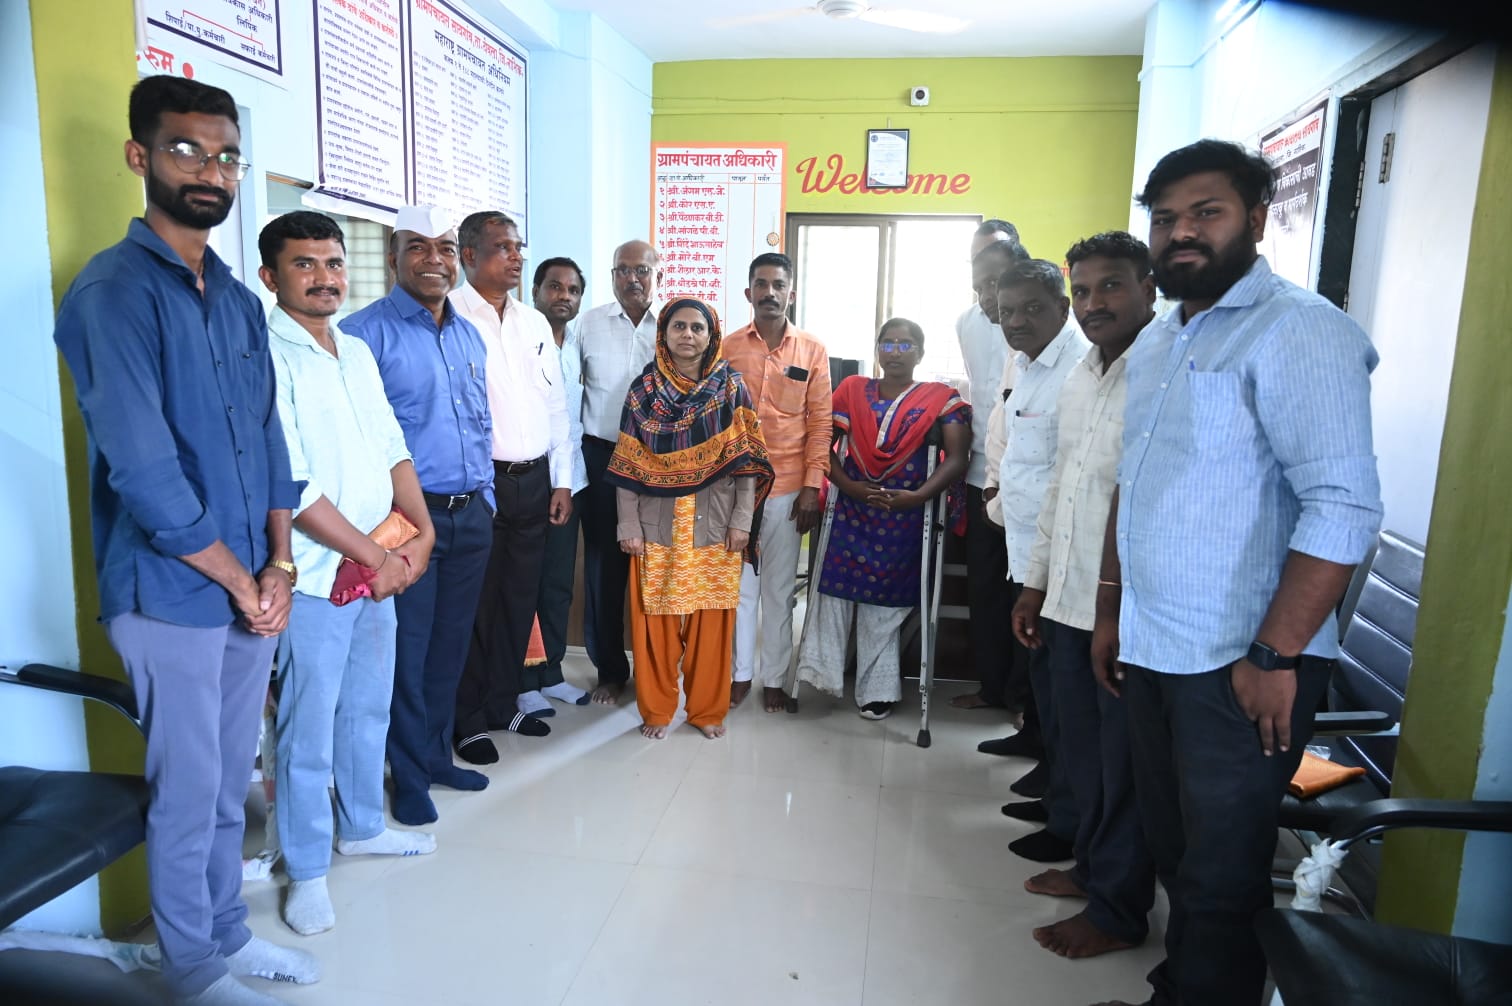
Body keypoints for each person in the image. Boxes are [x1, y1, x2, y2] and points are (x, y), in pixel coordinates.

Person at [1091, 140, 1382, 1006]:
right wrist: (1111, 611)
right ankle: (1183, 987)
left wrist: (1276, 654)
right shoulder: (1161, 340)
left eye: (1205, 213)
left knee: (1221, 870)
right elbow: (1135, 484)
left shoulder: (1300, 330)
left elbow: (1342, 507)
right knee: (1177, 850)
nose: (1180, 233)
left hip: (1242, 661)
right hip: (1155, 643)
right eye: (1165, 218)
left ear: (1256, 219)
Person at [52, 75, 317, 1005]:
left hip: (251, 581)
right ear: (141, 156)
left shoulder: (237, 301)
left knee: (230, 778)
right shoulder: (112, 293)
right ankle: (192, 969)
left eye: (226, 156)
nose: (211, 171)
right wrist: (243, 582)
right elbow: (146, 475)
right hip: (170, 590)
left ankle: (226, 933)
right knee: (189, 783)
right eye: (186, 150)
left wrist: (279, 563)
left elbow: (272, 442)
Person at [257, 211, 439, 937]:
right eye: (304, 264)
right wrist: (379, 557)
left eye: (333, 263)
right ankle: (305, 870)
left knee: (368, 704)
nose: (325, 277)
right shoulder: (266, 355)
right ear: (270, 277)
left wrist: (421, 531)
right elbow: (292, 484)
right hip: (316, 576)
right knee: (308, 726)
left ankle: (362, 826)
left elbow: (392, 445)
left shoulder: (355, 350)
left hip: (378, 565)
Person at [1010, 232, 1158, 961]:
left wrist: (1113, 608)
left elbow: (1146, 503)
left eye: (1112, 286)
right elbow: (1062, 489)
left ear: (1149, 289)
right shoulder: (1081, 377)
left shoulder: (1162, 373)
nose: (1095, 303)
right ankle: (1093, 870)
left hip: (1125, 611)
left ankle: (1119, 908)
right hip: (1066, 597)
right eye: (1085, 290)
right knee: (1080, 747)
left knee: (1122, 763)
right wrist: (1035, 583)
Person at [342, 205, 500, 826]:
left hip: (470, 513)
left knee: (449, 650)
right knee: (406, 655)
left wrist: (486, 498)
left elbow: (478, 422)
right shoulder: (362, 335)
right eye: (417, 247)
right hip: (405, 522)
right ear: (392, 258)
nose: (433, 259)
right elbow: (361, 443)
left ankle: (434, 757)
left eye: (445, 248)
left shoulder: (468, 333)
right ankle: (407, 777)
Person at [607, 299, 772, 739]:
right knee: (655, 626)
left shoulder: (731, 388)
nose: (688, 335)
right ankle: (657, 710)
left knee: (711, 625)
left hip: (716, 527)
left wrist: (742, 521)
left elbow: (747, 465)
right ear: (663, 334)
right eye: (678, 326)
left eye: (698, 328)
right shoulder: (643, 391)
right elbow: (626, 464)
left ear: (711, 336)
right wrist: (628, 526)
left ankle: (706, 711)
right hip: (656, 527)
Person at [448, 211, 577, 764]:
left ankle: (503, 703)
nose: (516, 257)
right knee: (476, 605)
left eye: (518, 246)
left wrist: (563, 481)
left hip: (535, 480)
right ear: (469, 255)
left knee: (519, 599)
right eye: (503, 247)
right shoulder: (449, 315)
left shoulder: (532, 322)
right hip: (482, 483)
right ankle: (468, 717)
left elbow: (555, 406)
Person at [794, 319, 970, 719]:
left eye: (905, 345)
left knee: (885, 604)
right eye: (888, 344)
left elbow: (958, 457)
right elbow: (823, 443)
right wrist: (850, 487)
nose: (895, 352)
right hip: (851, 508)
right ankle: (821, 673)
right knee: (834, 593)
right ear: (877, 350)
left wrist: (919, 496)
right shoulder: (852, 390)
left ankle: (878, 690)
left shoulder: (942, 399)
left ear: (920, 353)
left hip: (906, 512)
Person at [986, 259, 1090, 864]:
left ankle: (1069, 819)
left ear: (1062, 308)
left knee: (1067, 695)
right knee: (1047, 683)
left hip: (1063, 563)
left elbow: (1071, 476)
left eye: (1031, 309)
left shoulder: (1076, 369)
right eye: (1007, 312)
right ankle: (1055, 789)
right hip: (1027, 550)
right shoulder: (1027, 365)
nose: (1017, 322)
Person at [723, 252, 833, 712]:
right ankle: (740, 675)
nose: (770, 292)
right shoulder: (727, 347)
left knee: (780, 591)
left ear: (792, 293)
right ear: (748, 292)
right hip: (735, 490)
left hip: (788, 488)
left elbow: (821, 423)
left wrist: (812, 486)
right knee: (740, 590)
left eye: (779, 285)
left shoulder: (812, 350)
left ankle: (773, 679)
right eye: (762, 284)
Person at [577, 241, 663, 705]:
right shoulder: (589, 324)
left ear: (657, 276)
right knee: (603, 570)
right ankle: (610, 671)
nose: (633, 278)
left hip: (658, 463)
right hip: (601, 458)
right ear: (612, 277)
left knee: (657, 568)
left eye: (642, 270)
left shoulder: (674, 325)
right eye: (624, 270)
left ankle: (658, 672)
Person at [950, 220, 1030, 714]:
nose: (987, 294)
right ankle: (992, 687)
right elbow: (981, 395)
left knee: (1027, 591)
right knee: (984, 589)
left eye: (994, 279)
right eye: (978, 281)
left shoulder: (1038, 322)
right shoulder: (966, 322)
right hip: (981, 476)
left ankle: (1024, 702)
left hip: (1030, 481)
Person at [531, 257, 590, 703]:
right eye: (554, 287)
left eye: (572, 290)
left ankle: (551, 673)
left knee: (556, 584)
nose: (563, 296)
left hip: (570, 481)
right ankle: (521, 680)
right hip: (528, 481)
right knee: (523, 587)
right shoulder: (521, 340)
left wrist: (566, 483)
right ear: (536, 291)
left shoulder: (575, 345)